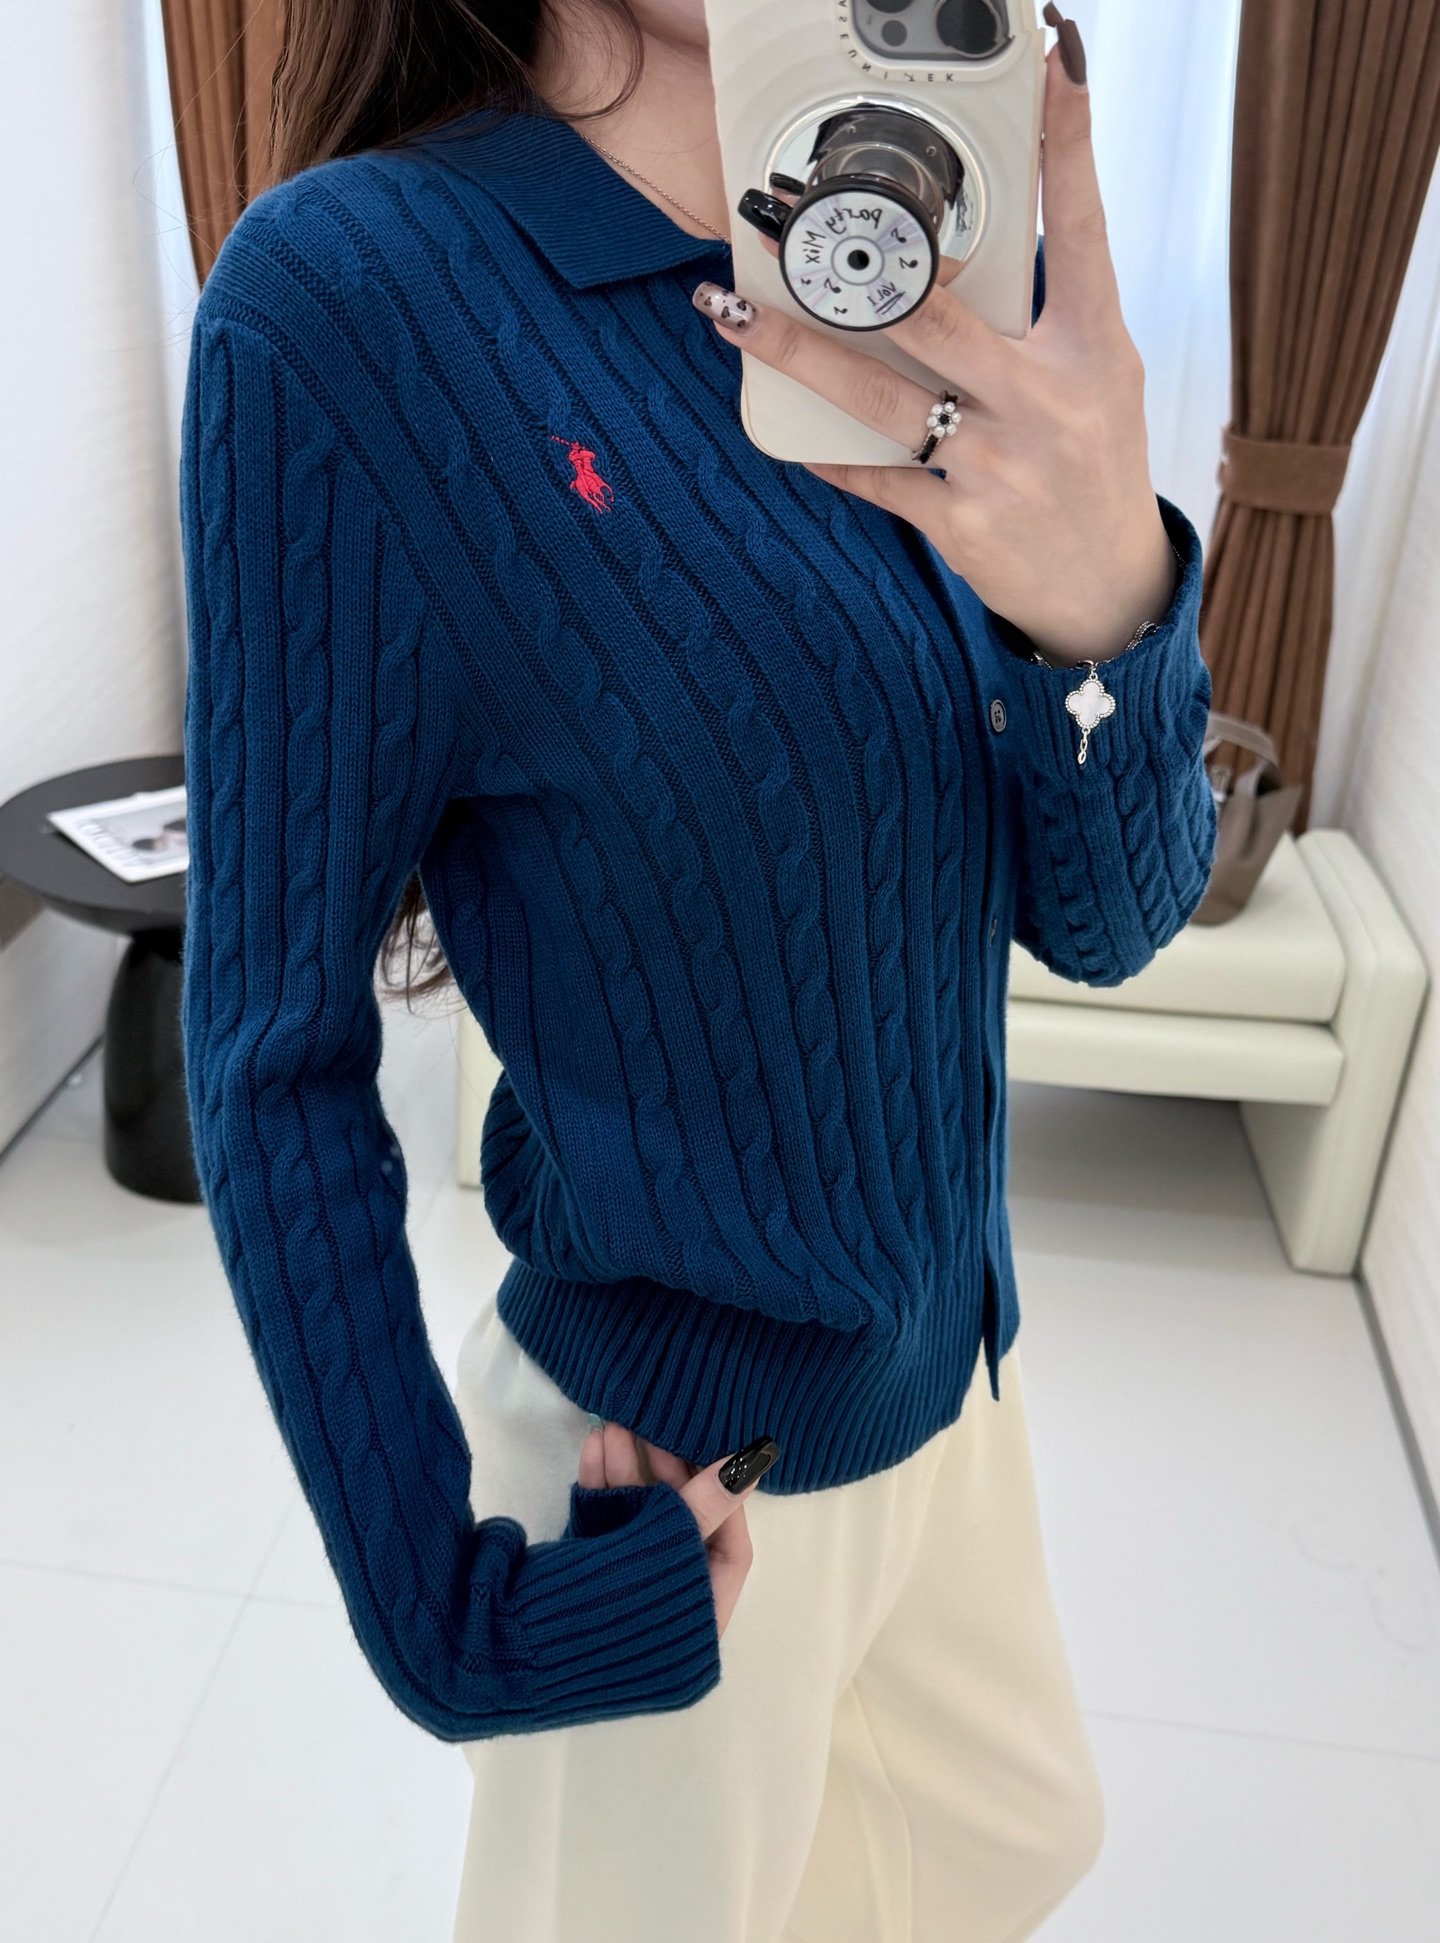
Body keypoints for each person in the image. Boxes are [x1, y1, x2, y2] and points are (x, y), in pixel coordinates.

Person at [176, 1, 1216, 1937]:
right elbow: (268, 1051)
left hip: (949, 1386)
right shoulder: (351, 299)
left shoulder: (923, 226)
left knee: (1013, 1839)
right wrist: (450, 1622)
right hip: (673, 1475)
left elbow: (1116, 916)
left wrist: (1108, 611)